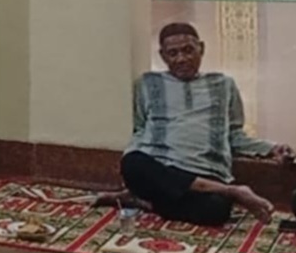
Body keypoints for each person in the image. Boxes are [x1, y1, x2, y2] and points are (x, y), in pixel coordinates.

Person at [110, 22, 292, 225]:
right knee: (132, 163)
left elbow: (234, 135)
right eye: (173, 53)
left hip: (206, 171)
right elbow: (141, 129)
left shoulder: (224, 85)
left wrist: (271, 148)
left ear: (201, 49)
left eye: (188, 50)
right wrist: (128, 165)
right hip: (162, 166)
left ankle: (144, 201)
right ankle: (233, 191)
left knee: (216, 210)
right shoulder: (148, 83)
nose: (181, 59)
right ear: (163, 56)